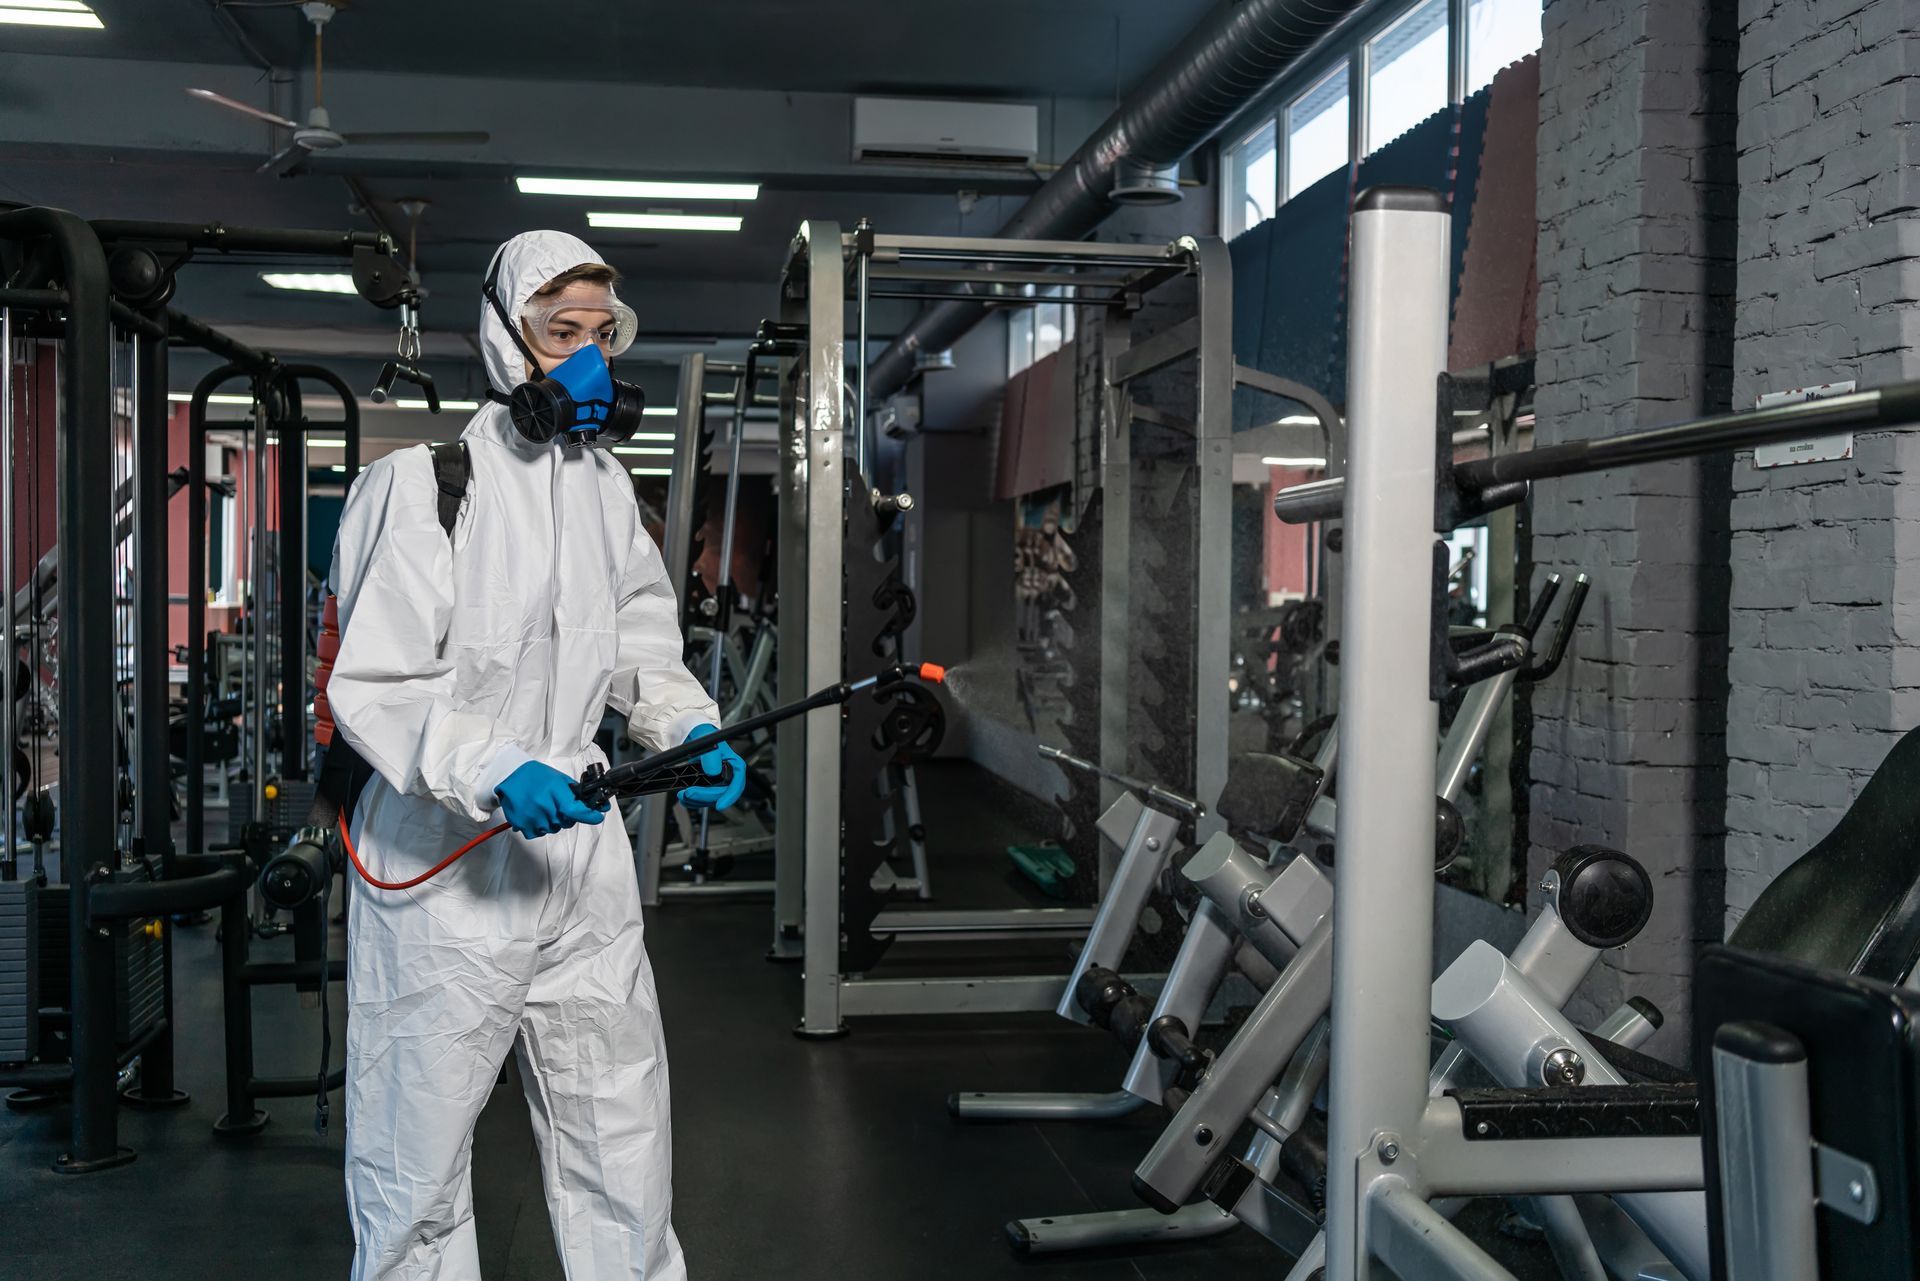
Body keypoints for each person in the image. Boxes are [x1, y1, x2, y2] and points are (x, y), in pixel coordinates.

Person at [325, 230, 744, 1281]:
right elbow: (375, 684)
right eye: (564, 333)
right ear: (509, 344)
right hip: (444, 860)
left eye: (603, 334)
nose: (591, 359)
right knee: (414, 1158)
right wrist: (491, 767)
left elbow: (641, 639)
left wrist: (685, 725)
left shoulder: (605, 490)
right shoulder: (423, 487)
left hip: (579, 856)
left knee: (622, 1135)